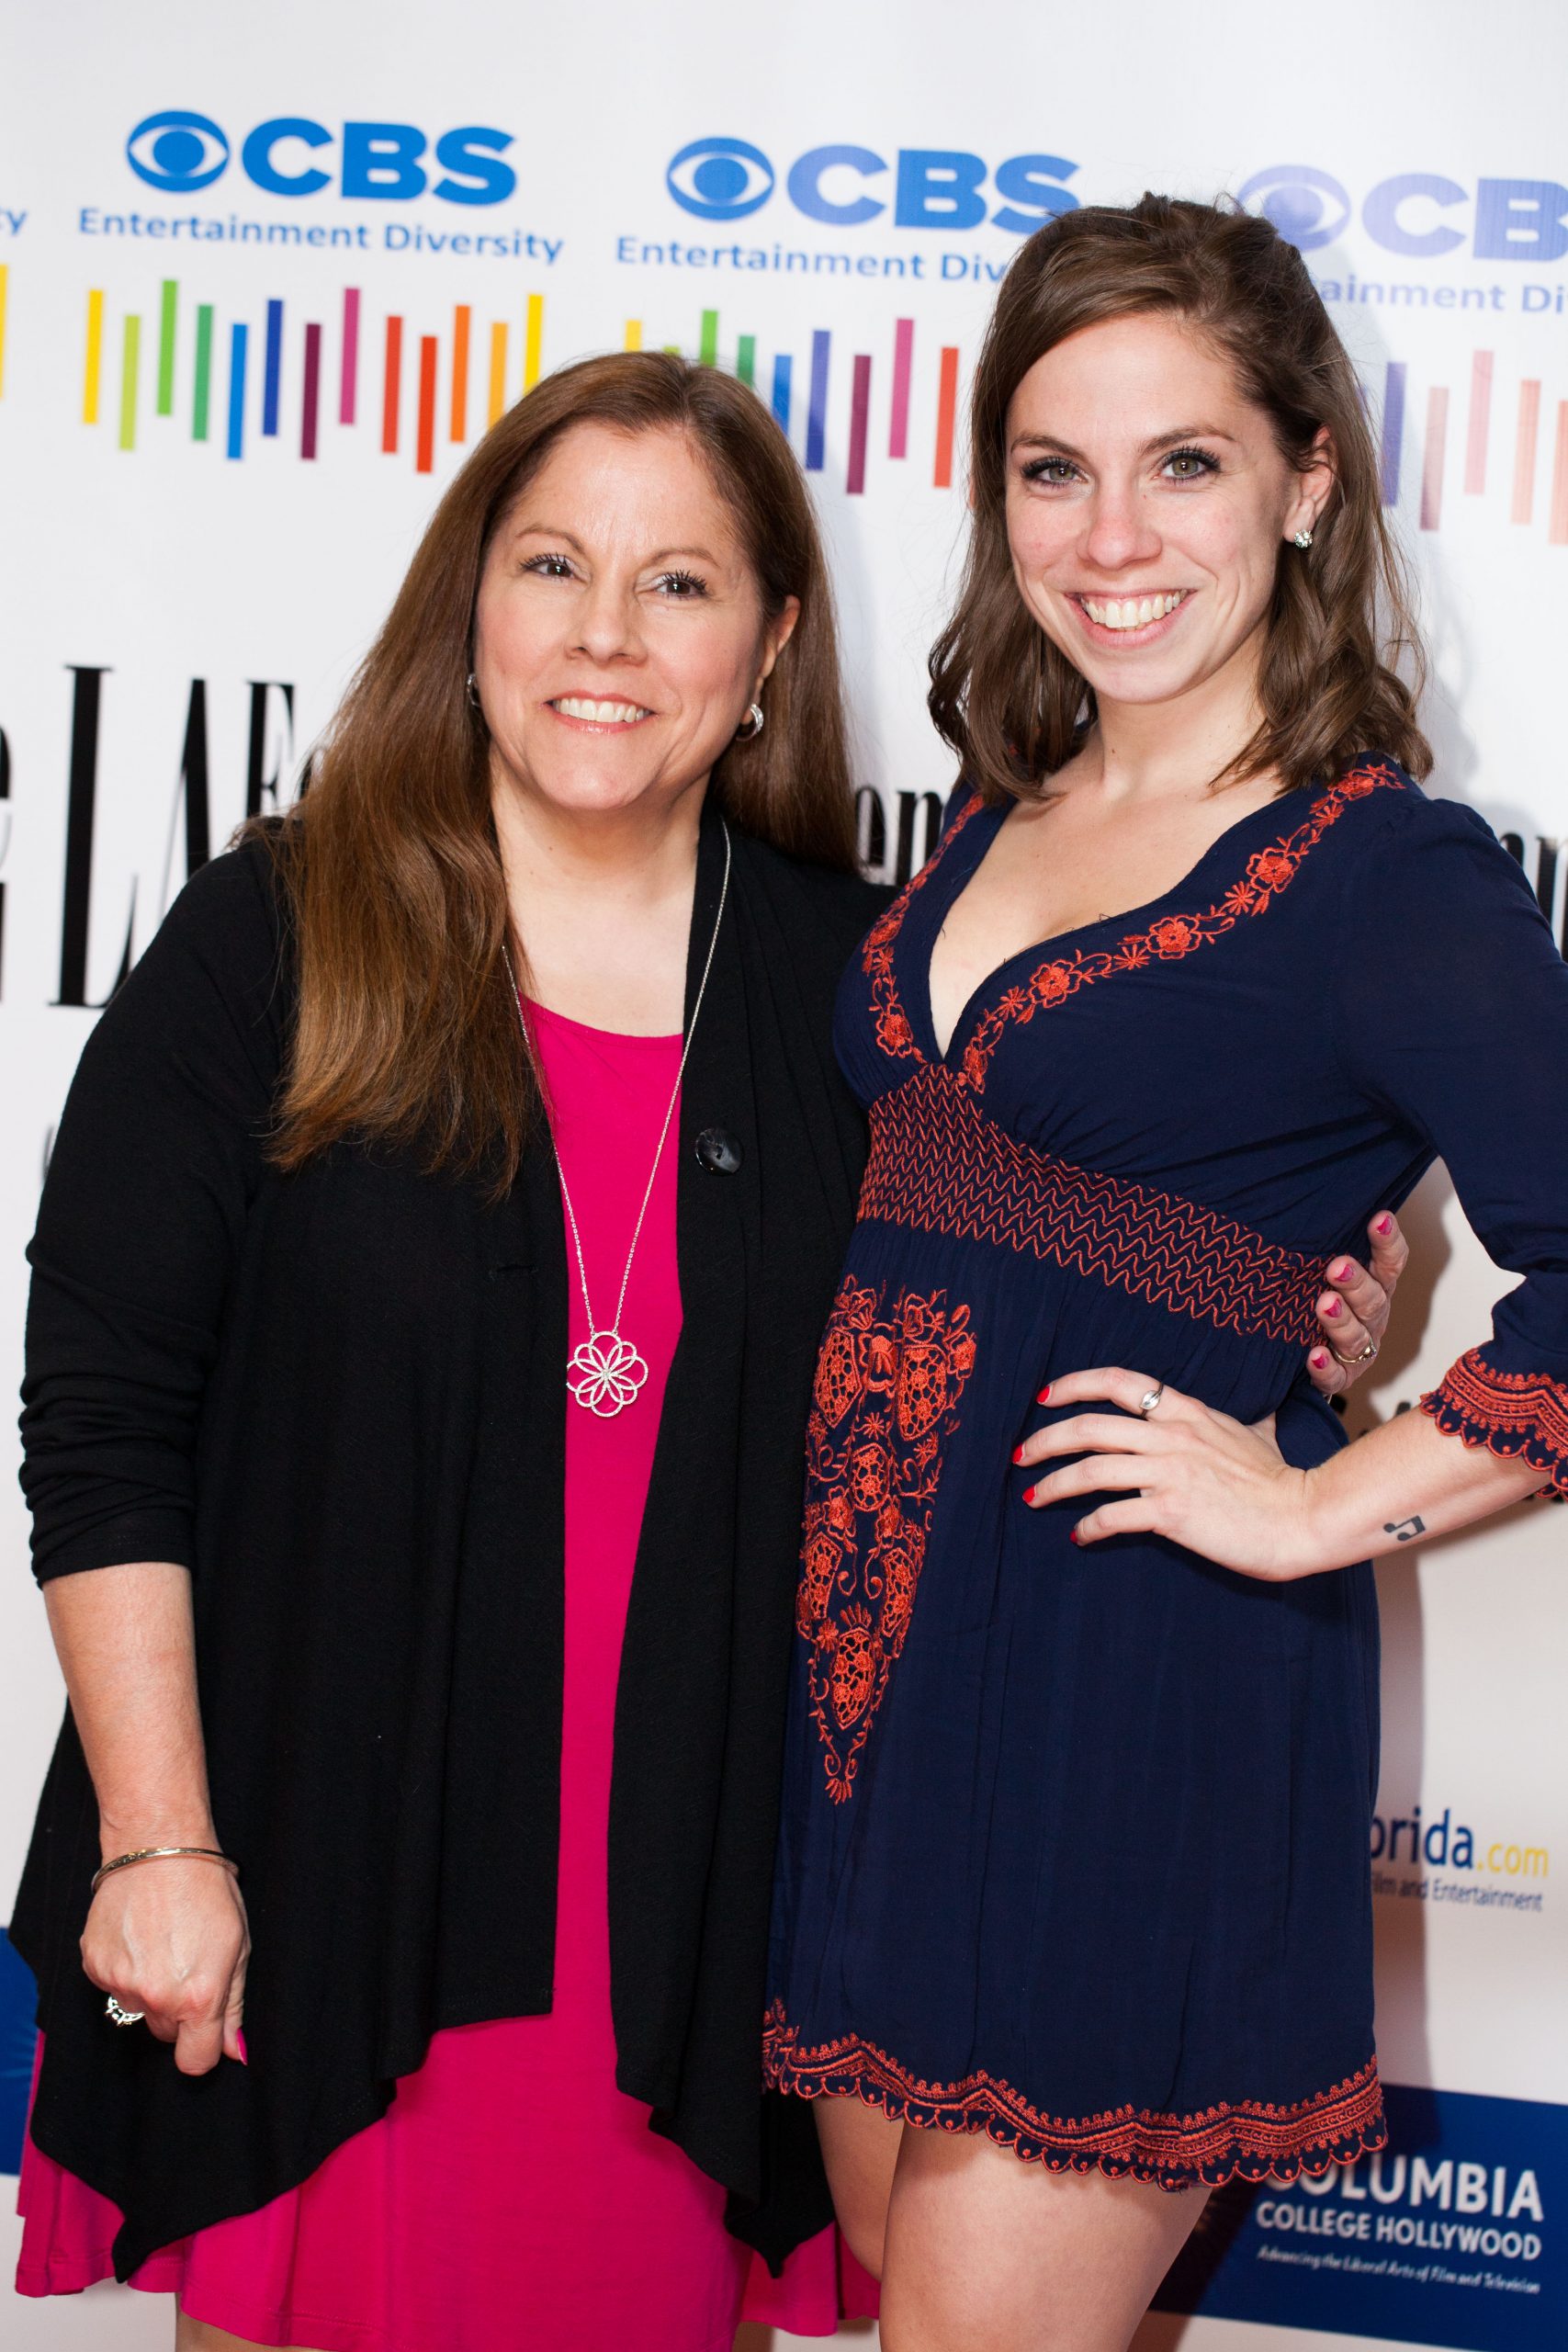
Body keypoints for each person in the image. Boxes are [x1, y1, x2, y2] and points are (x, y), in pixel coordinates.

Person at [11, 349, 1395, 2352]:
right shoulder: (275, 937)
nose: (604, 633)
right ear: (468, 606)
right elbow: (104, 1418)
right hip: (321, 1883)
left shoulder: (871, 989)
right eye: (551, 565)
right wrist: (160, 1838)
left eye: (677, 583)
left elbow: (1046, 1283)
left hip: (699, 1920)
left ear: (769, 646)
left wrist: (1300, 1308)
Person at [763, 195, 1568, 2352]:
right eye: (1052, 468)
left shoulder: (1387, 873)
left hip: (1128, 1705)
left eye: (1181, 462)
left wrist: (1315, 1497)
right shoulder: (994, 808)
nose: (1108, 536)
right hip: (875, 1700)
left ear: (1303, 480)